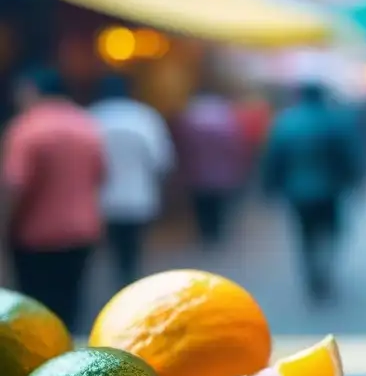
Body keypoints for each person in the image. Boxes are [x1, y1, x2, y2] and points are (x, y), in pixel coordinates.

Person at [0, 68, 105, 330]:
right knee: (71, 303)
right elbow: (101, 175)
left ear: (32, 90)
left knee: (36, 312)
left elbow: (15, 186)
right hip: (82, 231)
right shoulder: (87, 124)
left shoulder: (27, 128)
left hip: (36, 236)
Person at [262, 80, 365, 301]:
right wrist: (356, 180)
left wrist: (270, 186)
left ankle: (312, 275)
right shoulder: (334, 120)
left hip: (297, 190)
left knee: (304, 234)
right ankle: (324, 269)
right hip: (330, 189)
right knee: (331, 230)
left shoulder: (286, 121)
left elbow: (274, 157)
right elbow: (349, 154)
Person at [91, 74, 175, 289]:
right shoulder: (145, 117)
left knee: (110, 248)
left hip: (102, 199)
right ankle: (128, 280)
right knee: (133, 248)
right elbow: (162, 160)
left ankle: (117, 282)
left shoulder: (92, 116)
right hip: (139, 196)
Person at [176, 91, 247, 248]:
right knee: (218, 203)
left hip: (197, 173)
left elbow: (184, 148)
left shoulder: (191, 122)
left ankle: (205, 232)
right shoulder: (226, 122)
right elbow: (234, 148)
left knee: (202, 204)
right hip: (221, 173)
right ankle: (216, 231)